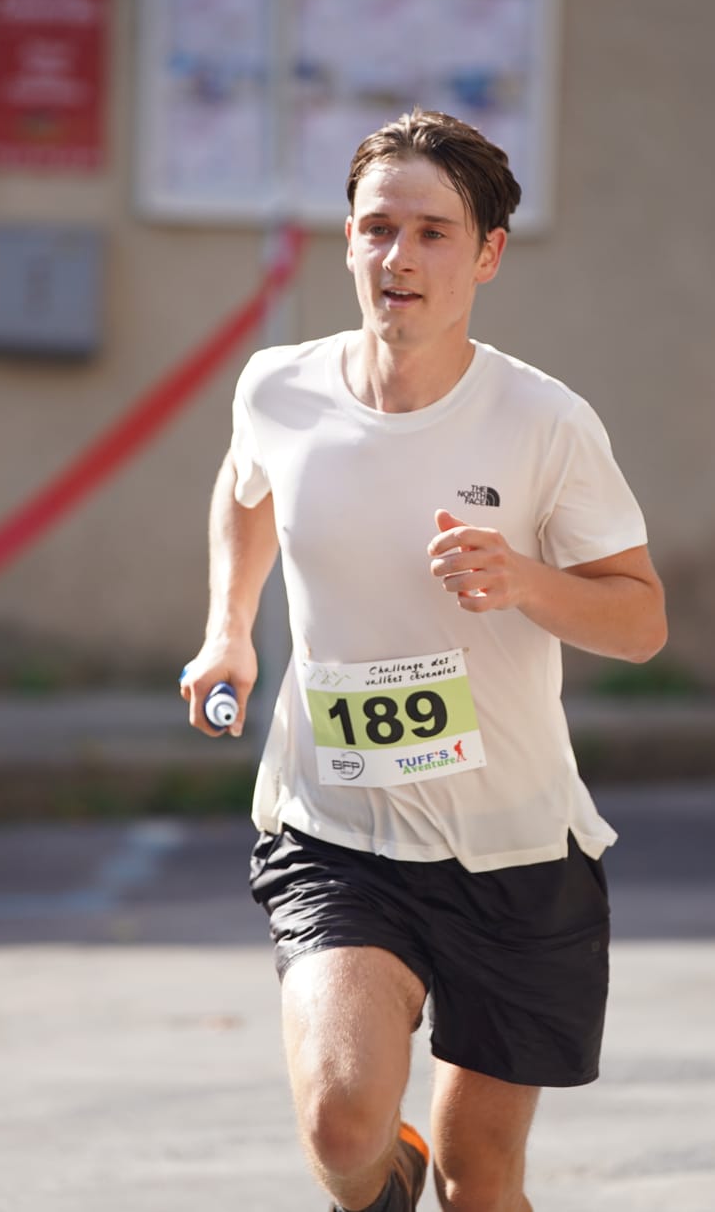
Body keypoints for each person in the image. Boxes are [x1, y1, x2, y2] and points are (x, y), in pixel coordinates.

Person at [180, 110, 667, 1212]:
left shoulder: (544, 423)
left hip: (515, 850)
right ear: (346, 241)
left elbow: (639, 622)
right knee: (342, 1127)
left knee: (477, 1183)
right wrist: (227, 627)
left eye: (433, 233)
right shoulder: (280, 389)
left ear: (487, 254)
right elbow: (247, 486)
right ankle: (379, 1182)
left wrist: (524, 582)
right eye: (376, 229)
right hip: (336, 828)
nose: (398, 258)